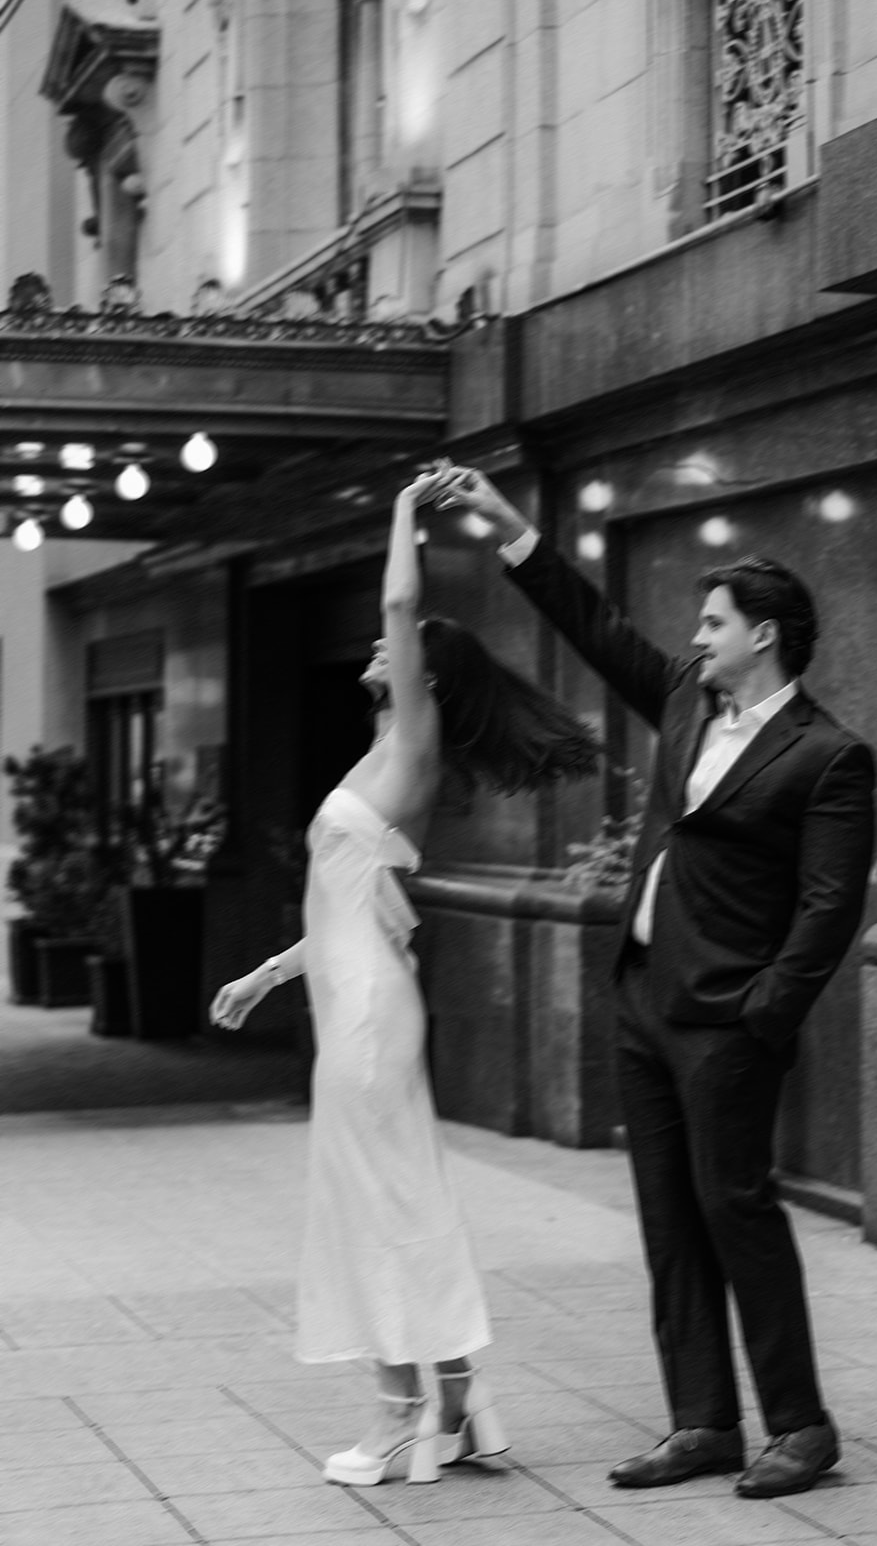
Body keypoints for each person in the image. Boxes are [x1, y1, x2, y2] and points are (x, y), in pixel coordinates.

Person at [435, 464, 877, 1501]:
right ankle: (703, 1422)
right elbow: (595, 626)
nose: (695, 636)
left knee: (736, 1211)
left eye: (713, 621)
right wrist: (506, 524)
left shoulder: (828, 755)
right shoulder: (685, 699)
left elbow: (828, 906)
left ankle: (800, 1426)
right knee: (668, 1224)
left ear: (762, 634)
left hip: (726, 1021)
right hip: (640, 1001)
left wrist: (763, 1014)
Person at [209, 470, 598, 1489]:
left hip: (370, 1017)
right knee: (393, 1195)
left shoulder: (413, 743)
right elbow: (343, 911)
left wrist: (398, 512)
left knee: (372, 1203)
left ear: (430, 677)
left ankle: (398, 1414)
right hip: (357, 1000)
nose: (385, 644)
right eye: (394, 642)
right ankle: (458, 1398)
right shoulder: (381, 752)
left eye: (406, 644)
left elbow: (394, 599)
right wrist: (266, 973)